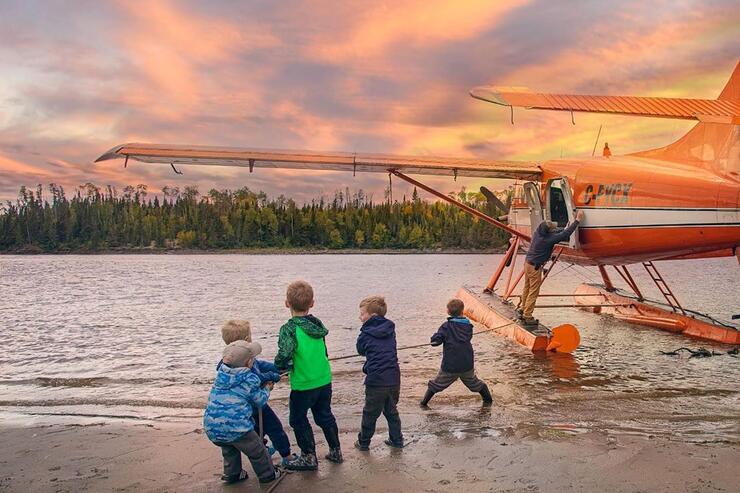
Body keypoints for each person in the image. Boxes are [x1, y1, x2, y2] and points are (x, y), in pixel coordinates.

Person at [274, 280, 342, 470]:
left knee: (297, 419)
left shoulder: (289, 329)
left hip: (304, 384)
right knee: (324, 415)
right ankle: (336, 450)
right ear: (312, 303)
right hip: (323, 379)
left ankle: (308, 456)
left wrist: (276, 369)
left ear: (287, 303)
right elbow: (324, 351)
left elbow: (285, 353)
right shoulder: (317, 324)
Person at [220, 320, 297, 466]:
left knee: (260, 431)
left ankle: (268, 452)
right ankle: (286, 456)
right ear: (248, 340)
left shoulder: (238, 359)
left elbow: (260, 365)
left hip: (245, 407)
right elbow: (254, 378)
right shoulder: (231, 365)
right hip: (251, 406)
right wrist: (271, 378)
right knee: (273, 428)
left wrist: (278, 368)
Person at [203, 340, 281, 485]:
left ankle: (232, 474)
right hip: (237, 427)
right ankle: (268, 475)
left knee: (229, 449)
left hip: (212, 426)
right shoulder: (249, 378)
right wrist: (267, 388)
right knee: (257, 451)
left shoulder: (221, 375)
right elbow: (259, 400)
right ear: (249, 363)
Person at [420, 299, 493, 407]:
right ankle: (488, 401)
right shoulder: (468, 326)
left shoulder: (446, 326)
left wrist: (435, 340)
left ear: (448, 312)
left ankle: (423, 404)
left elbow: (435, 341)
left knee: (437, 384)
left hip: (451, 365)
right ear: (462, 311)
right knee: (474, 383)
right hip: (466, 364)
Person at [354, 296, 403, 451]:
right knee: (391, 411)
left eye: (362, 314)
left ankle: (363, 442)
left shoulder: (365, 333)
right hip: (394, 378)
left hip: (376, 381)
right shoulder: (390, 329)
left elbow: (360, 350)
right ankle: (397, 439)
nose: (360, 317)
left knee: (370, 413)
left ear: (372, 315)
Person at [518, 210, 584, 326]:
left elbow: (556, 232)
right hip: (535, 267)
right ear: (548, 231)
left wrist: (567, 226)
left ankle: (522, 309)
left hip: (527, 264)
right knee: (534, 291)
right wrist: (577, 220)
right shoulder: (547, 240)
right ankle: (527, 316)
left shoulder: (537, 233)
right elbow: (564, 235)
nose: (553, 229)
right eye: (551, 228)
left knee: (526, 288)